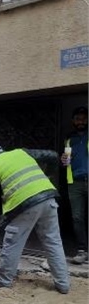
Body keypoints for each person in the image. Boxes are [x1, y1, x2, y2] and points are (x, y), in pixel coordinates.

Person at [0, 144, 70, 294]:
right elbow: (52, 154)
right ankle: (63, 284)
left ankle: (3, 280)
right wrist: (49, 175)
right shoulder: (21, 152)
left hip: (25, 205)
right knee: (53, 241)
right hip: (48, 197)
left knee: (13, 243)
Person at [61, 106, 88, 264]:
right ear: (73, 121)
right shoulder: (69, 138)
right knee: (77, 217)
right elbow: (67, 160)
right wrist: (64, 161)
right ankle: (82, 250)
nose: (81, 122)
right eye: (78, 119)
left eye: (84, 118)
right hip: (75, 183)